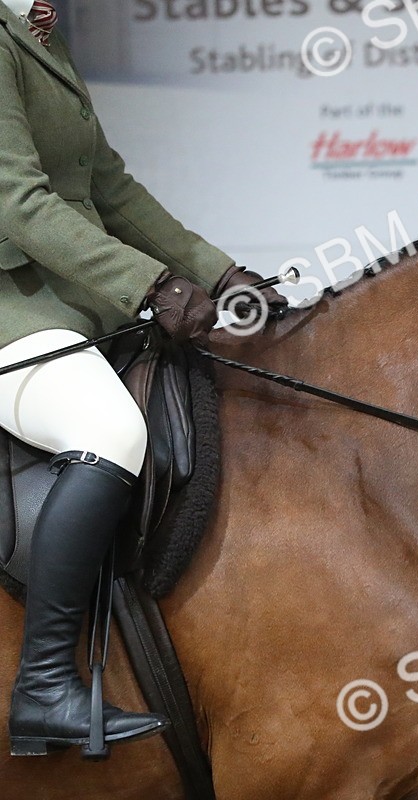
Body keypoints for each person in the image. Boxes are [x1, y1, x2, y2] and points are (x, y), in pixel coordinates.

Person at [0, 0, 284, 756]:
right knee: (110, 430)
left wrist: (217, 272)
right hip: (10, 312)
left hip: (72, 304)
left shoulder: (36, 35)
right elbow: (16, 201)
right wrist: (149, 285)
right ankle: (43, 688)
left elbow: (110, 188)